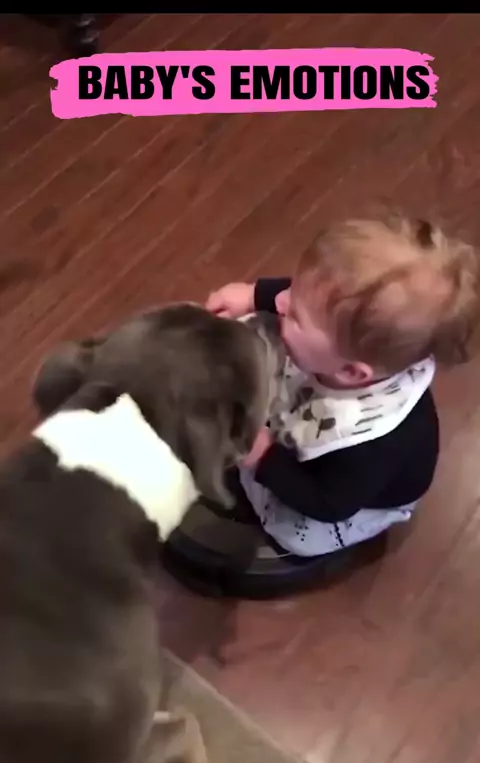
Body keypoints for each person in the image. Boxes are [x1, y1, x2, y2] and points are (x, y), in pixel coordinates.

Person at [164, 213, 480, 599]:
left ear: (350, 372)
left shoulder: (369, 441)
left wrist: (264, 457)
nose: (282, 303)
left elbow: (328, 503)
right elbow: (307, 298)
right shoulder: (344, 335)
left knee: (301, 533)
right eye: (292, 294)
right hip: (323, 411)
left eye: (295, 316)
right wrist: (253, 294)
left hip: (348, 500)